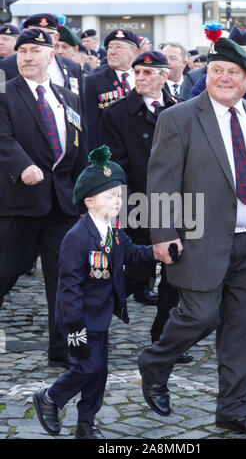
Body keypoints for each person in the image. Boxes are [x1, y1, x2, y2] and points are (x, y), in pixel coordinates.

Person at [137, 26, 246, 437]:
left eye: (233, 72)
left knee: (243, 329)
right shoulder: (179, 118)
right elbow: (160, 182)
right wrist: (162, 233)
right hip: (200, 237)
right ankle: (156, 363)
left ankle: (233, 410)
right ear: (206, 74)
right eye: (216, 70)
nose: (223, 77)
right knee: (199, 316)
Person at [33, 145, 155, 439]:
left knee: (98, 373)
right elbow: (68, 288)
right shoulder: (77, 237)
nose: (118, 201)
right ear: (89, 201)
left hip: (99, 317)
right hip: (79, 318)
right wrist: (74, 329)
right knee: (89, 367)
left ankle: (86, 424)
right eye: (110, 196)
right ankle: (50, 398)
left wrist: (158, 252)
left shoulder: (114, 229)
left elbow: (133, 254)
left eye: (119, 195)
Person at [0, 29, 87, 367]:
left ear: (52, 55)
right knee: (6, 270)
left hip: (61, 204)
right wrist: (23, 165)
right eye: (21, 50)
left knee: (65, 278)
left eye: (35, 50)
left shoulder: (69, 98)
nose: (26, 56)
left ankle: (63, 348)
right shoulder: (5, 94)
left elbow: (79, 150)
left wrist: (86, 200)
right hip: (19, 203)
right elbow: (2, 137)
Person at [101, 51, 193, 363]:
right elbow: (115, 161)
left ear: (164, 76)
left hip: (177, 204)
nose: (140, 77)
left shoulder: (179, 109)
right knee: (138, 274)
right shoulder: (117, 113)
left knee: (174, 274)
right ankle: (90, 315)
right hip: (138, 203)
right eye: (137, 71)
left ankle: (164, 338)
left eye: (148, 72)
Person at [0, 14, 83, 97]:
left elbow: (80, 105)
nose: (40, 40)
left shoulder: (73, 67)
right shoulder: (6, 66)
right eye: (33, 33)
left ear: (56, 38)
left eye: (47, 34)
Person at [84, 29, 139, 150]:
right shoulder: (93, 81)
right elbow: (91, 124)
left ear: (134, 52)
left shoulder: (143, 77)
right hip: (110, 151)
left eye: (118, 47)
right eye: (110, 47)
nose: (112, 52)